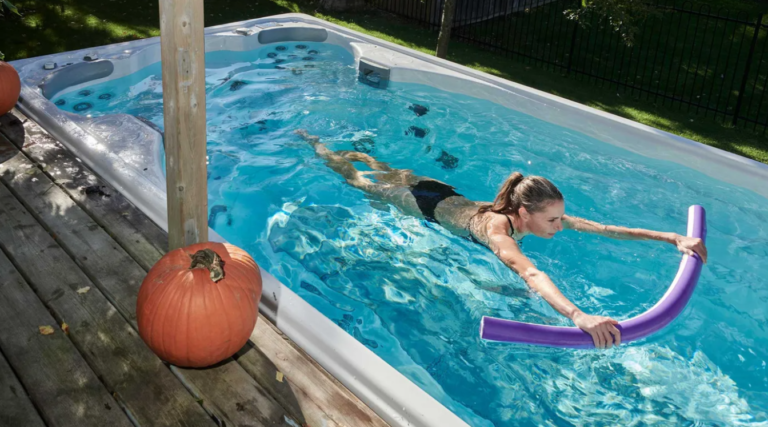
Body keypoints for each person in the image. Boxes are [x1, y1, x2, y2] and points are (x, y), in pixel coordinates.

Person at [295, 130, 708, 349]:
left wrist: (673, 237)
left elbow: (604, 229)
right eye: (552, 220)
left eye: (560, 217)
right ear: (523, 213)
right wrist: (578, 316)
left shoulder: (535, 212)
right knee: (357, 180)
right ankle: (319, 147)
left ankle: (363, 153)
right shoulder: (500, 232)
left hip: (446, 191)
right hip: (423, 204)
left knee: (382, 167)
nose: (559, 226)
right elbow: (530, 272)